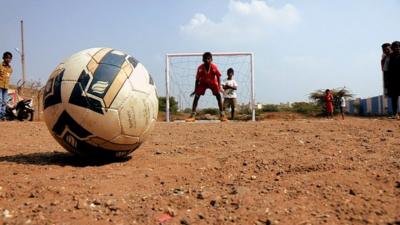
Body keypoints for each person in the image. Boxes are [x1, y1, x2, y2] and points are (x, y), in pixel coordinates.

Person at [186, 52, 227, 122]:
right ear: (203, 60)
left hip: (213, 83)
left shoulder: (214, 67)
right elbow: (197, 79)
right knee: (196, 96)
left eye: (208, 59)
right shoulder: (200, 68)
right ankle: (192, 115)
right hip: (203, 83)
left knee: (218, 96)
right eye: (205, 59)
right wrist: (195, 90)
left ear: (211, 59)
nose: (207, 60)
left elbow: (218, 76)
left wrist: (219, 87)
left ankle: (222, 114)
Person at [387, 41, 400, 119]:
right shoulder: (391, 57)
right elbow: (389, 70)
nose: (397, 48)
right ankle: (395, 114)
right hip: (394, 81)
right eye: (396, 47)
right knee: (394, 98)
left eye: (398, 47)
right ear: (393, 48)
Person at [0, 52, 13, 121]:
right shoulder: (0, 66)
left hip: (6, 87)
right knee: (0, 100)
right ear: (3, 58)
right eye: (7, 57)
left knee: (4, 101)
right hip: (0, 85)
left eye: (10, 58)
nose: (8, 59)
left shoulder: (10, 69)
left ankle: (2, 116)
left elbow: (9, 75)